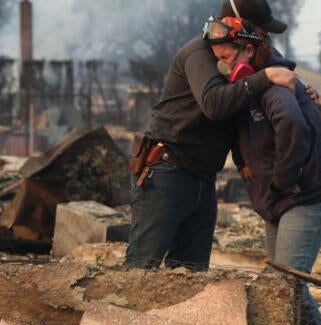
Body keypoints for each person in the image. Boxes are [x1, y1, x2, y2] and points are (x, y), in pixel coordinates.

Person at [211, 0, 321, 325]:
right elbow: (241, 126)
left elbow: (291, 124)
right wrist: (243, 160)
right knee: (280, 285)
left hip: (307, 195)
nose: (221, 63)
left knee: (288, 285)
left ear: (248, 43)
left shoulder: (274, 83)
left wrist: (283, 180)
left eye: (226, 55)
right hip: (283, 199)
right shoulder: (252, 81)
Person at [123, 18, 300, 271]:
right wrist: (265, 77)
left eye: (227, 57)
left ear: (248, 49)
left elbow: (238, 115)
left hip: (203, 177)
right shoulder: (198, 53)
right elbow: (215, 105)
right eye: (221, 56)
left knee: (190, 272)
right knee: (141, 267)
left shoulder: (249, 61)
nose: (222, 63)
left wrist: (241, 161)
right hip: (166, 170)